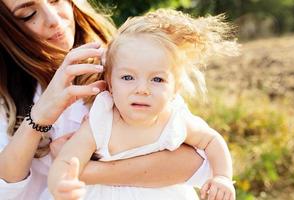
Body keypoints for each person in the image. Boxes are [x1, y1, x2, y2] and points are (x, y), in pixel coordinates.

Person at [0, 1, 211, 200]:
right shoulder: (6, 98)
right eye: (28, 15)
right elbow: (5, 190)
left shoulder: (128, 61)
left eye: (56, 0)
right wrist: (39, 116)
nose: (53, 18)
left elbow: (197, 161)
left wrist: (86, 170)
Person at [48, 9, 239, 200]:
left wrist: (222, 177)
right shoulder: (102, 120)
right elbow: (66, 160)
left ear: (175, 88)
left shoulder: (174, 120)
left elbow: (212, 140)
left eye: (157, 79)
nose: (142, 89)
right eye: (128, 77)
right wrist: (61, 184)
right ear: (110, 83)